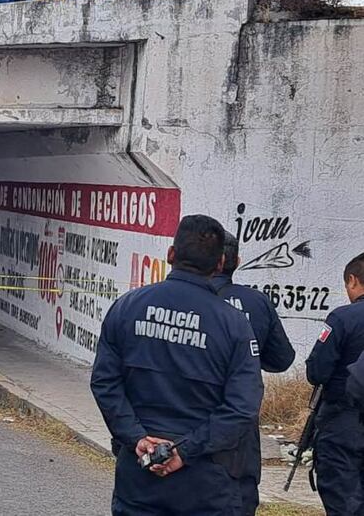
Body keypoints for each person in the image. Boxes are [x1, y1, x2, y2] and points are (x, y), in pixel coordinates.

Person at [91, 214, 263, 516]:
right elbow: (242, 407)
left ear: (171, 254)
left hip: (140, 473)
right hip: (206, 480)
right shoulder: (234, 325)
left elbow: (105, 382)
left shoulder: (128, 307)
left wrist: (137, 438)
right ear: (220, 264)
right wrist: (184, 451)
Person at [212, 232, 295, 516]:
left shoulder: (184, 300)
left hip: (187, 418)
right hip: (240, 421)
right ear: (236, 261)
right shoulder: (257, 302)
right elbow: (282, 358)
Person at [306, 252, 364, 516]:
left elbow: (317, 371)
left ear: (353, 281)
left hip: (344, 424)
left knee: (343, 500)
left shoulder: (343, 318)